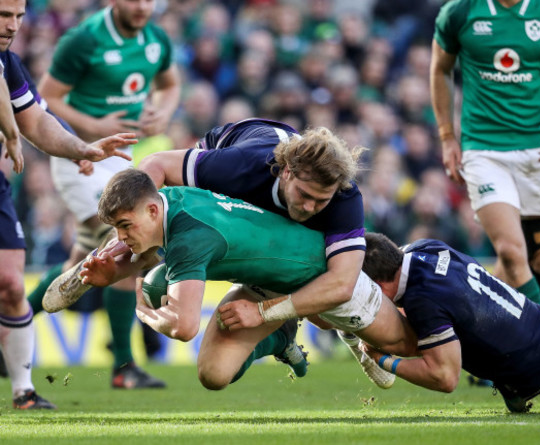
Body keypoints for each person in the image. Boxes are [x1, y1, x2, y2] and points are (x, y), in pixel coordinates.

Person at [54, 169, 416, 392]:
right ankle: (281, 339)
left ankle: (354, 333)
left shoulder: (189, 239)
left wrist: (143, 312)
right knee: (213, 374)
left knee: (406, 344)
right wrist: (113, 273)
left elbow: (183, 328)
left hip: (320, 274)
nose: (121, 238)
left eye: (124, 227)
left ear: (151, 210)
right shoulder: (168, 200)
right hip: (265, 278)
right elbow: (147, 250)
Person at [136, 118, 399, 388]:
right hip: (229, 214)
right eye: (304, 194)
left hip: (275, 252)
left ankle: (299, 333)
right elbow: (154, 165)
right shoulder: (239, 166)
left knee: (323, 310)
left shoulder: (344, 197)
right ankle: (283, 335)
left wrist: (262, 313)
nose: (309, 207)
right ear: (286, 173)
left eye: (321, 200)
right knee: (213, 375)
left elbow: (341, 284)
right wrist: (126, 239)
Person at [29, 0, 181, 389]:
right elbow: (46, 100)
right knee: (126, 245)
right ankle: (123, 366)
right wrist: (93, 125)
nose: (143, 6)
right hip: (76, 155)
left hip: (121, 160)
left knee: (80, 266)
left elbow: (170, 84)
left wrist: (162, 113)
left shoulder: (156, 39)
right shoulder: (83, 40)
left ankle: (13, 319)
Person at [0, 0, 137, 409]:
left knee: (9, 285)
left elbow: (36, 122)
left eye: (19, 16)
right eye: (3, 15)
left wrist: (83, 149)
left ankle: (23, 391)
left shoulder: (8, 63)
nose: (12, 25)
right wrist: (7, 129)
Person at [360, 232, 540, 415]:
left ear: (378, 286)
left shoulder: (423, 300)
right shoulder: (426, 248)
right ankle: (513, 387)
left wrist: (383, 360)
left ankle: (514, 385)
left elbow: (445, 376)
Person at [431, 0, 540, 306]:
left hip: (539, 153)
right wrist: (447, 137)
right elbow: (440, 70)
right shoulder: (460, 11)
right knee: (512, 253)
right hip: (483, 152)